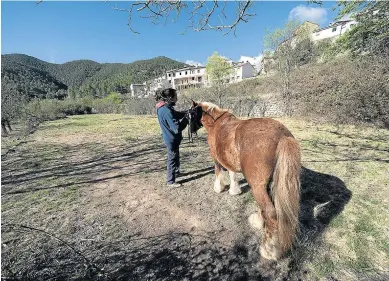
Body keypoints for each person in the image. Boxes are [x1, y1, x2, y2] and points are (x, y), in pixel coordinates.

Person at [155, 88, 188, 187]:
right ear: (170, 97)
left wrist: (185, 112)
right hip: (171, 139)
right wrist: (186, 119)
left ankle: (176, 172)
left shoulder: (164, 107)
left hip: (171, 138)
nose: (176, 98)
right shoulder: (166, 110)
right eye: (175, 96)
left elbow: (175, 114)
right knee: (172, 158)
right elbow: (177, 128)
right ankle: (170, 181)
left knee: (175, 156)